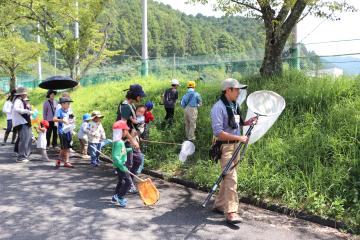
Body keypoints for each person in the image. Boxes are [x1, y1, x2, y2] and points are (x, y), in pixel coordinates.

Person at [210, 78, 257, 224]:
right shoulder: (218, 108)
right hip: (226, 147)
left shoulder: (234, 105)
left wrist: (247, 123)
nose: (239, 92)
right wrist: (239, 137)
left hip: (236, 146)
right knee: (231, 178)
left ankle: (219, 205)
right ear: (228, 90)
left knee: (227, 177)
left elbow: (237, 122)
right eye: (236, 89)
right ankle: (231, 212)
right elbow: (218, 132)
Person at [111, 120, 133, 207]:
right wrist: (122, 167)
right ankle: (120, 197)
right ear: (121, 131)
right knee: (128, 182)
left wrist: (129, 149)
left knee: (121, 181)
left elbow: (121, 152)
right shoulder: (119, 142)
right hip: (120, 165)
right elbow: (115, 156)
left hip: (118, 165)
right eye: (125, 130)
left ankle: (115, 196)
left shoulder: (118, 141)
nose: (127, 132)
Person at [12, 87, 33, 163]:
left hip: (25, 122)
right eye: (24, 93)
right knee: (23, 140)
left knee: (28, 139)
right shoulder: (18, 100)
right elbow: (16, 109)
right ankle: (21, 157)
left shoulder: (22, 100)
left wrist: (29, 110)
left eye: (25, 93)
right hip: (21, 122)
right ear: (20, 94)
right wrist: (27, 111)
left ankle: (24, 155)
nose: (25, 95)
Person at [53, 97, 74, 168]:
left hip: (69, 131)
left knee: (67, 147)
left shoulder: (70, 111)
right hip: (62, 131)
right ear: (62, 104)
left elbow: (72, 119)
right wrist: (62, 120)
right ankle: (61, 160)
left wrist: (72, 122)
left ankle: (65, 162)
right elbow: (54, 119)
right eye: (68, 103)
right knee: (64, 147)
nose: (69, 105)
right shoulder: (59, 111)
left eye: (69, 103)